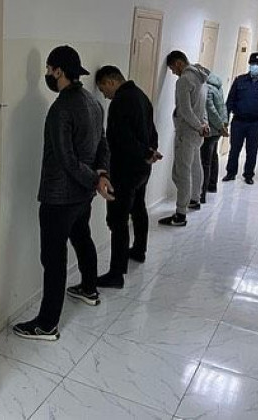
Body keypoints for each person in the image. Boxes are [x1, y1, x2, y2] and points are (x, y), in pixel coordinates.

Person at [13, 45, 112, 341]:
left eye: (48, 69)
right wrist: (100, 175)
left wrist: (95, 180)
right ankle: (89, 289)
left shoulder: (61, 108)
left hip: (59, 197)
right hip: (82, 196)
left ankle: (47, 324)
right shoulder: (93, 102)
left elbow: (67, 160)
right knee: (82, 238)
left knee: (53, 260)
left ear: (58, 71)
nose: (46, 73)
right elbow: (103, 144)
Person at [94, 65, 161, 288]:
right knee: (139, 207)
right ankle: (139, 250)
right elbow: (152, 131)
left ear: (111, 81)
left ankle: (116, 273)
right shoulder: (141, 96)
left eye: (103, 89)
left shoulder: (120, 102)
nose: (104, 95)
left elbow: (121, 139)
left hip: (124, 170)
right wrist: (150, 153)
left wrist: (144, 153)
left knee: (118, 220)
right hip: (142, 168)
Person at [159, 51, 208, 227]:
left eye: (173, 69)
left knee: (181, 173)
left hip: (187, 132)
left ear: (179, 63)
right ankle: (195, 199)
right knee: (195, 166)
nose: (173, 73)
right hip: (198, 132)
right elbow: (202, 106)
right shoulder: (201, 77)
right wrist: (203, 124)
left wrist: (198, 126)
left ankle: (180, 214)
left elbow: (185, 110)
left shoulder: (184, 80)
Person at [222, 52, 258, 185]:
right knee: (234, 149)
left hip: (256, 122)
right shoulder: (240, 80)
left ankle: (248, 175)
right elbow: (230, 101)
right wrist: (225, 119)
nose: (254, 66)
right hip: (238, 120)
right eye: (252, 64)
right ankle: (230, 173)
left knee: (252, 150)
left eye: (257, 64)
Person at [195, 64, 229, 203]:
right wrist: (224, 123)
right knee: (213, 157)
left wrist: (220, 126)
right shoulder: (218, 85)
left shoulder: (207, 88)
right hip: (218, 130)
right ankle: (212, 185)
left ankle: (201, 194)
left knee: (205, 162)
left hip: (211, 129)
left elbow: (211, 110)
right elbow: (223, 107)